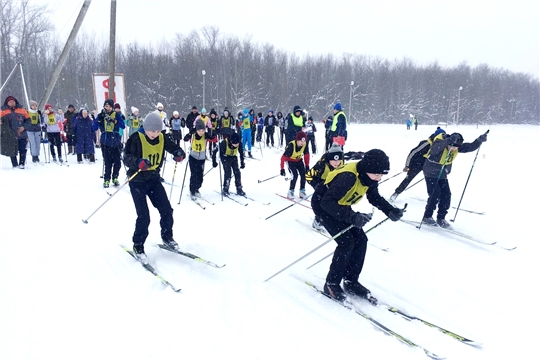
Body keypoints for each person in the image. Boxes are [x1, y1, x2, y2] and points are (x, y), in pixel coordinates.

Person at [311, 149, 404, 303]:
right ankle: (331, 284)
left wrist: (390, 210)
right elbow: (326, 202)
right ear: (367, 168)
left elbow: (373, 197)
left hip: (341, 205)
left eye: (381, 175)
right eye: (377, 174)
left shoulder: (368, 177)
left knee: (361, 240)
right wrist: (352, 217)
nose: (378, 178)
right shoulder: (348, 177)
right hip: (324, 207)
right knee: (346, 242)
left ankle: (350, 281)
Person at [123, 112, 186, 264]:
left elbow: (173, 147)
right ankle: (138, 245)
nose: (155, 134)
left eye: (158, 131)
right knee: (144, 216)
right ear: (146, 128)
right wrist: (137, 162)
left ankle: (167, 237)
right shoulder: (136, 138)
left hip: (153, 180)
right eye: (152, 131)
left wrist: (178, 152)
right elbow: (126, 157)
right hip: (137, 181)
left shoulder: (162, 138)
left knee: (166, 209)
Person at [421, 131, 488, 228]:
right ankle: (427, 216)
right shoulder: (440, 143)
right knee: (435, 195)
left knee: (446, 195)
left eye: (456, 147)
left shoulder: (455, 146)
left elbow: (470, 147)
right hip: (430, 172)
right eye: (453, 146)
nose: (454, 149)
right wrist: (448, 140)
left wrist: (478, 141)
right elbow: (435, 149)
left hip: (442, 174)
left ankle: (441, 218)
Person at [390, 127, 446, 201]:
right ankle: (396, 193)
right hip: (417, 164)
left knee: (433, 181)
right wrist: (407, 165)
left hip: (429, 165)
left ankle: (435, 197)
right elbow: (412, 153)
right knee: (408, 178)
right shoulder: (426, 143)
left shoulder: (441, 145)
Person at [306, 143, 344, 230]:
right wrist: (316, 186)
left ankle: (333, 220)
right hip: (320, 186)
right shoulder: (321, 165)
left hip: (333, 186)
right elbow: (308, 176)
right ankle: (318, 221)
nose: (336, 163)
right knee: (321, 205)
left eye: (338, 160)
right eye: (333, 160)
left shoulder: (341, 163)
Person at [93, 99, 125, 188]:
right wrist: (98, 121)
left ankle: (115, 177)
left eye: (109, 106)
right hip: (105, 142)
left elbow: (123, 125)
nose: (108, 108)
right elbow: (94, 127)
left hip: (116, 141)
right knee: (108, 162)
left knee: (117, 162)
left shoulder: (117, 115)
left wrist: (115, 121)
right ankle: (107, 179)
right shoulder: (101, 115)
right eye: (106, 106)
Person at [183, 119, 215, 200]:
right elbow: (185, 139)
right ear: (196, 130)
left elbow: (213, 138)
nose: (201, 132)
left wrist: (216, 133)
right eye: (199, 130)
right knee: (194, 174)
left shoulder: (205, 135)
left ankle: (197, 188)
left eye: (203, 130)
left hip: (201, 158)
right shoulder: (193, 135)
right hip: (193, 157)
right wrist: (189, 134)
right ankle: (192, 190)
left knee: (200, 175)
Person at [212, 132, 246, 196]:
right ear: (231, 141)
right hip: (225, 157)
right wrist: (214, 161)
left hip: (233, 156)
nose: (236, 145)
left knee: (237, 172)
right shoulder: (224, 143)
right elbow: (214, 151)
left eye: (237, 144)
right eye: (234, 144)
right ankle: (225, 188)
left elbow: (241, 152)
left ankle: (239, 188)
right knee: (228, 172)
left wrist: (242, 162)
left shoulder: (238, 143)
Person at [0, 96, 30, 168]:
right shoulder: (3, 111)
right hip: (10, 135)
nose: (12, 103)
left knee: (22, 149)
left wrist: (24, 127)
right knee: (12, 150)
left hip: (22, 134)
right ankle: (15, 164)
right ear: (7, 103)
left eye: (13, 101)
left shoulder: (22, 110)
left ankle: (22, 163)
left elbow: (28, 121)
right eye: (10, 102)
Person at [280, 131, 310, 199]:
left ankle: (302, 191)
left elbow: (306, 155)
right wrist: (282, 169)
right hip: (290, 161)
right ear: (297, 140)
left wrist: (307, 166)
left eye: (304, 141)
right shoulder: (291, 146)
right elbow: (282, 158)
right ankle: (291, 191)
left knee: (304, 174)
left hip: (299, 161)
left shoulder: (305, 144)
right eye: (300, 141)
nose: (302, 143)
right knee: (295, 175)